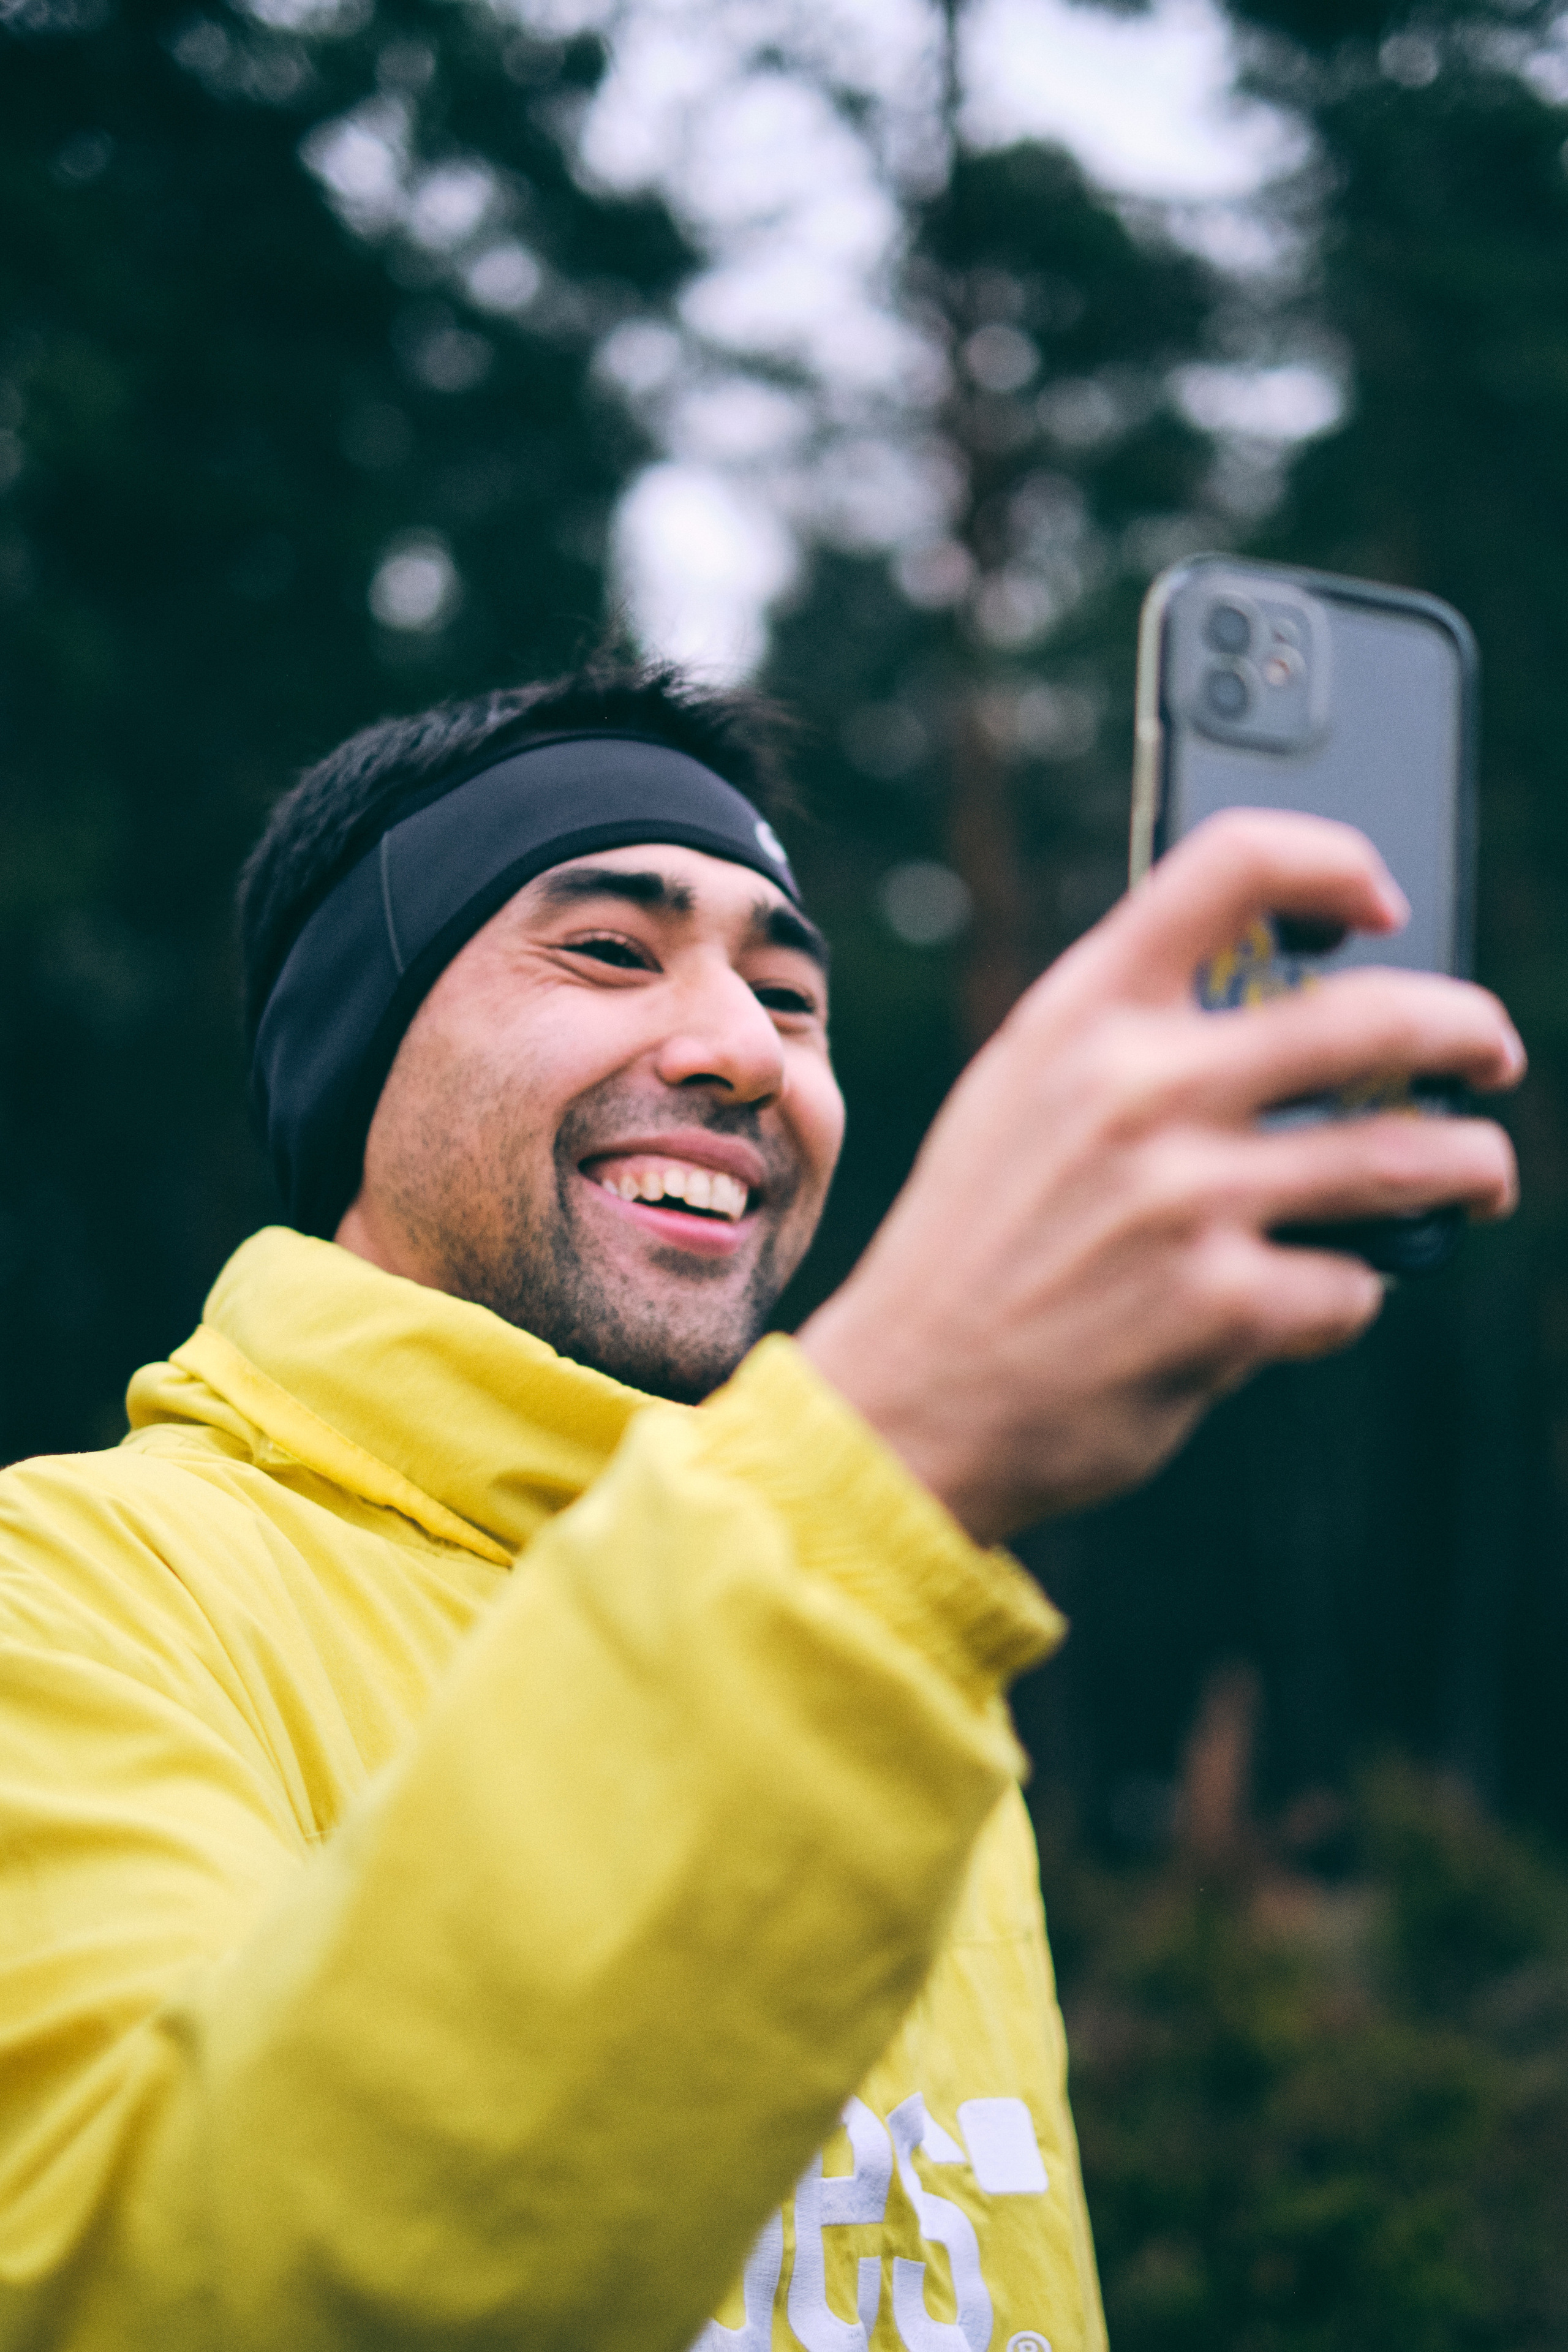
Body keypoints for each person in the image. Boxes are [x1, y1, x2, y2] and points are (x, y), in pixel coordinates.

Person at [0, 658, 1521, 2352]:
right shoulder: (68, 1597)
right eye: (606, 950)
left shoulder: (878, 1634)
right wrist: (896, 1454)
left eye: (793, 1000)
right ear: (349, 1056)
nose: (742, 1052)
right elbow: (153, 2301)